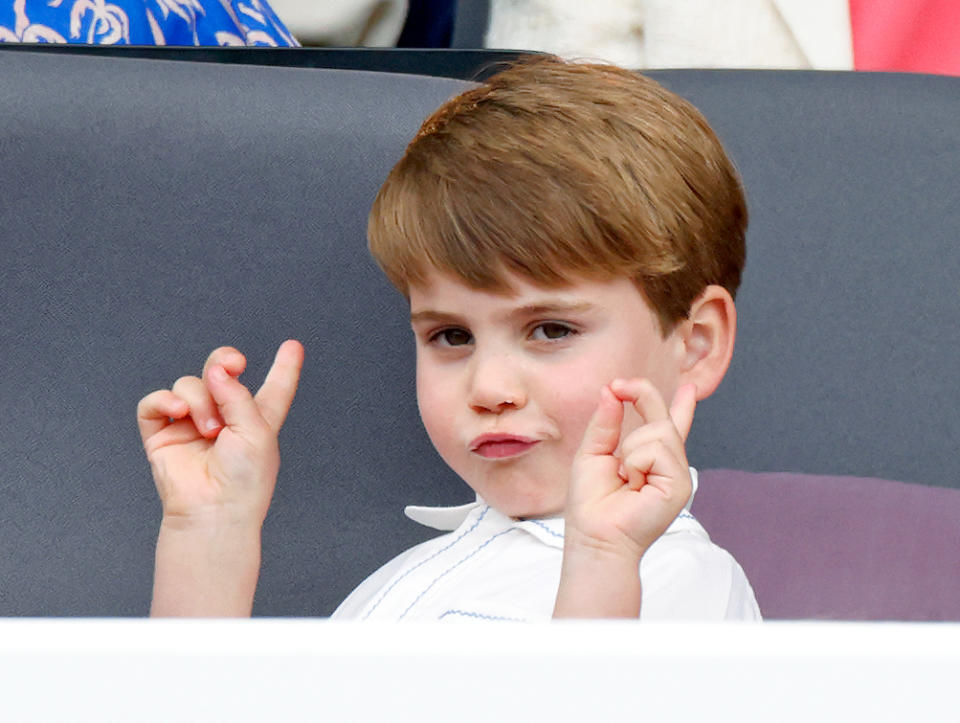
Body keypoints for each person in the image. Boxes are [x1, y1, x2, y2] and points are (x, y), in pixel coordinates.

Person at [139, 56, 761, 620]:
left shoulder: (678, 579)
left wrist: (602, 560)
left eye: (550, 330)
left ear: (695, 344)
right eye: (452, 336)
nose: (488, 388)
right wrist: (211, 530)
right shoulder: (408, 580)